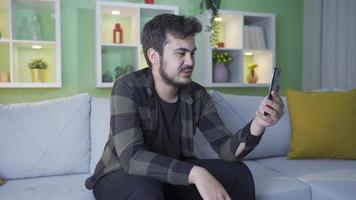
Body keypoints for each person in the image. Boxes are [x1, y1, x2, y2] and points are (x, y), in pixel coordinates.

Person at [85, 14, 284, 200]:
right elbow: (132, 158)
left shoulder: (197, 94)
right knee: (145, 190)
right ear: (154, 56)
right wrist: (197, 173)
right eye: (181, 53)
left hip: (172, 171)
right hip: (120, 173)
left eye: (192, 53)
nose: (190, 62)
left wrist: (259, 123)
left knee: (239, 174)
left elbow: (226, 149)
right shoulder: (127, 87)